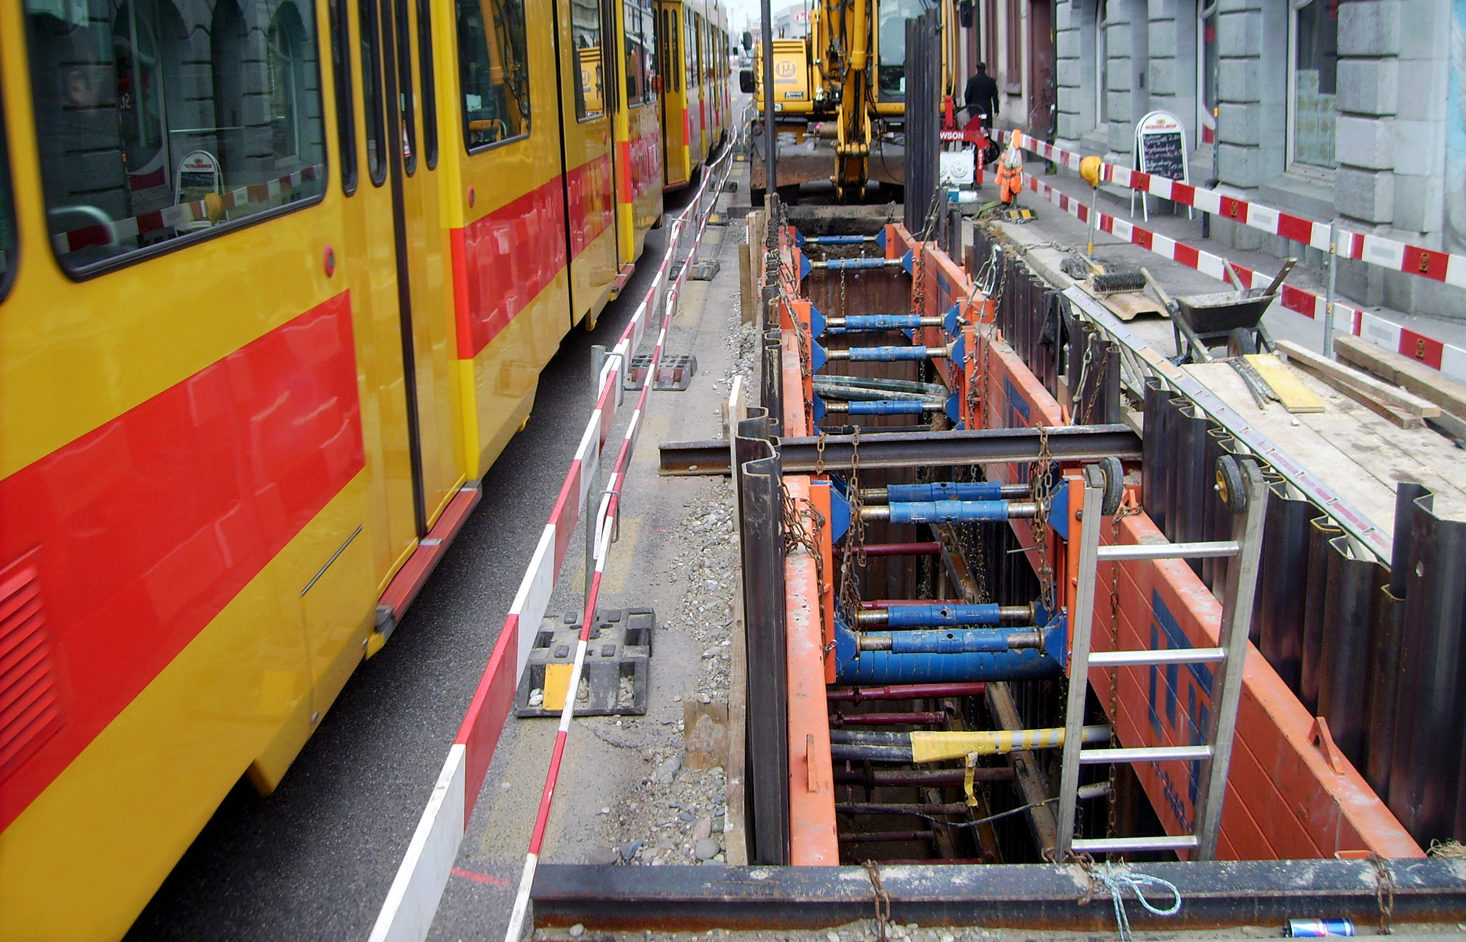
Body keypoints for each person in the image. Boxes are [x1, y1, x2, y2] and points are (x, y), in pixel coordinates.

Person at [964, 62, 999, 133]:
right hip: (986, 109)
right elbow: (995, 97)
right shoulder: (991, 81)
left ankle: (975, 142)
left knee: (975, 128)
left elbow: (967, 95)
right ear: (985, 69)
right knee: (987, 128)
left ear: (977, 69)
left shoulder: (971, 81)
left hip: (974, 109)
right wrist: (996, 109)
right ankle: (987, 141)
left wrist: (968, 106)